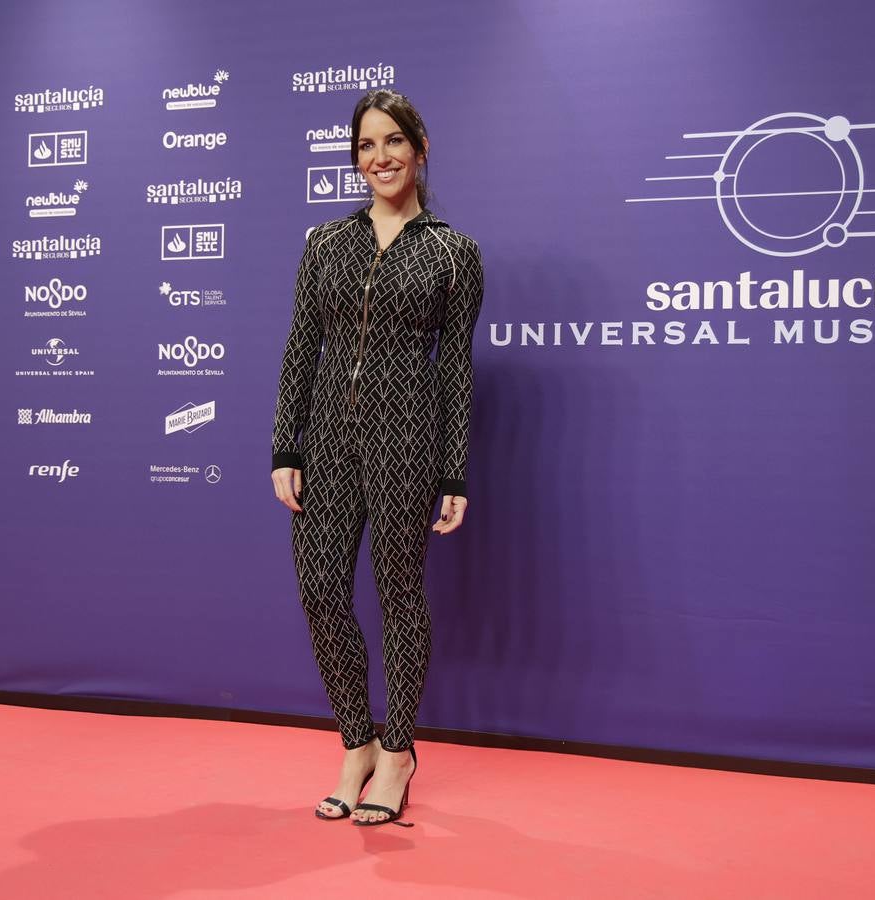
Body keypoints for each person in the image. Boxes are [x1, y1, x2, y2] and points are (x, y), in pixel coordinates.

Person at [270, 89, 484, 827]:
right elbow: (302, 348)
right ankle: (355, 740)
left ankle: (398, 754)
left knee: (399, 597)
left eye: (393, 141)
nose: (379, 157)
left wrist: (454, 468)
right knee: (320, 589)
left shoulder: (454, 253)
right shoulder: (324, 243)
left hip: (408, 445)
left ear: (419, 149)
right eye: (365, 145)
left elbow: (454, 368)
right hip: (326, 443)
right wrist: (285, 445)